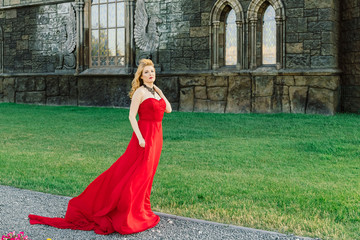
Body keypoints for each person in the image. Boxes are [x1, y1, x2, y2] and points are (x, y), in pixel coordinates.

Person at [29, 59, 172, 235]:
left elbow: (169, 110)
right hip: (144, 136)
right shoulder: (140, 93)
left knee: (148, 174)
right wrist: (140, 138)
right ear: (141, 77)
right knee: (135, 173)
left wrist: (161, 92)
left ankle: (142, 208)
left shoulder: (156, 92)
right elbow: (131, 117)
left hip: (157, 137)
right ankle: (128, 211)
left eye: (152, 71)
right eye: (147, 72)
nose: (151, 74)